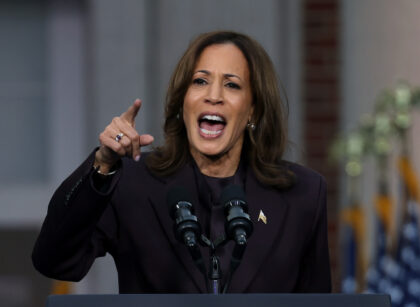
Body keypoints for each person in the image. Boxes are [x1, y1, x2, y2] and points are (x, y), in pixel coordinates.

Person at [32, 30, 331, 293]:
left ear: (253, 110)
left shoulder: (302, 194)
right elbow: (56, 261)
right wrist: (102, 165)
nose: (213, 96)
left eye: (232, 85)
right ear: (182, 101)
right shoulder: (132, 182)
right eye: (200, 81)